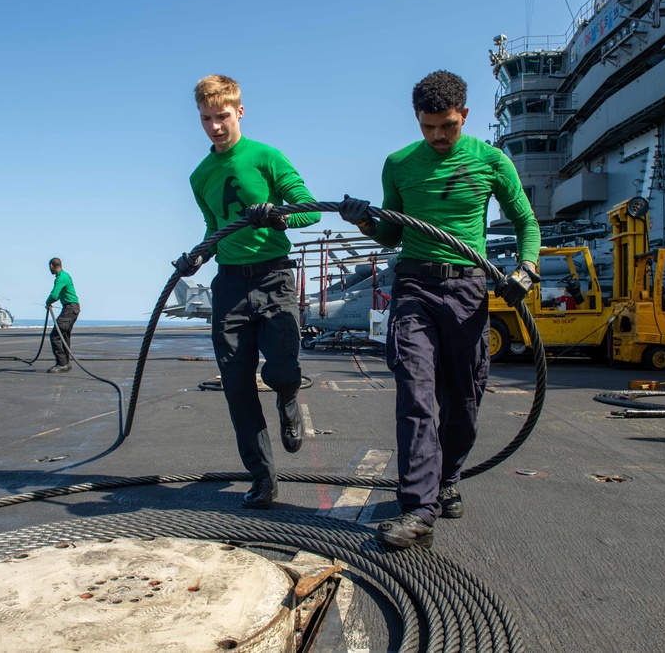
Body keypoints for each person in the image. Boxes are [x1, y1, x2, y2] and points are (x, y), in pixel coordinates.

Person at [340, 70, 540, 549]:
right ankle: (419, 509)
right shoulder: (399, 163)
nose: (437, 137)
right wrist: (367, 220)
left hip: (468, 289)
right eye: (427, 127)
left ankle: (448, 476)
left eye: (447, 126)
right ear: (417, 120)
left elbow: (525, 221)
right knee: (415, 395)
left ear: (464, 116)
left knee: (465, 401)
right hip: (414, 287)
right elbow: (391, 233)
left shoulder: (492, 161)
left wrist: (526, 270)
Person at [175, 74, 321, 509]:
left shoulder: (266, 157)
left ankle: (288, 396)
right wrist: (198, 255)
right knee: (237, 387)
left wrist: (277, 217)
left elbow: (307, 209)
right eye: (206, 119)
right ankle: (262, 478)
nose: (215, 127)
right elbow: (214, 227)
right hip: (230, 285)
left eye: (222, 117)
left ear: (239, 111)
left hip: (274, 278)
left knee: (279, 369)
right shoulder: (199, 175)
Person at [45, 257, 80, 374]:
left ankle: (62, 364)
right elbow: (59, 294)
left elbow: (55, 294)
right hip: (72, 308)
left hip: (69, 309)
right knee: (64, 336)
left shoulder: (60, 277)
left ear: (51, 266)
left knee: (55, 336)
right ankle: (66, 363)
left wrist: (48, 302)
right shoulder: (65, 275)